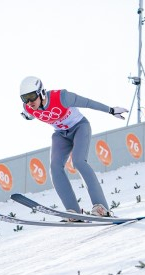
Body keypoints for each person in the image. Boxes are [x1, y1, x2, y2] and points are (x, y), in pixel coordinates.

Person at [19, 76, 128, 219]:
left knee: (78, 161)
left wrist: (111, 110)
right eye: (24, 98)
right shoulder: (28, 108)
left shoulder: (62, 97)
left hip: (79, 128)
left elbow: (88, 102)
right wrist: (27, 115)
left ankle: (101, 207)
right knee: (55, 167)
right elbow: (29, 114)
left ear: (41, 93)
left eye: (32, 97)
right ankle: (73, 211)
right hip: (60, 134)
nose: (29, 102)